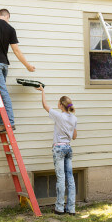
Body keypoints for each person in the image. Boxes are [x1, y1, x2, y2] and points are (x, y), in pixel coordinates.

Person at [0, 9, 35, 133]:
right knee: (1, 93)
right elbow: (16, 51)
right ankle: (3, 122)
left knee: (3, 93)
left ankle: (9, 123)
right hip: (4, 65)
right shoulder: (11, 29)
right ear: (8, 17)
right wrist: (27, 66)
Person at [36, 86, 77, 215]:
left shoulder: (59, 116)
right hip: (68, 148)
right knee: (70, 178)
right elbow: (74, 137)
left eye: (58, 103)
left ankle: (59, 208)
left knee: (61, 178)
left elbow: (44, 105)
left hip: (59, 148)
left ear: (60, 105)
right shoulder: (74, 118)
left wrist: (43, 91)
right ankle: (71, 208)